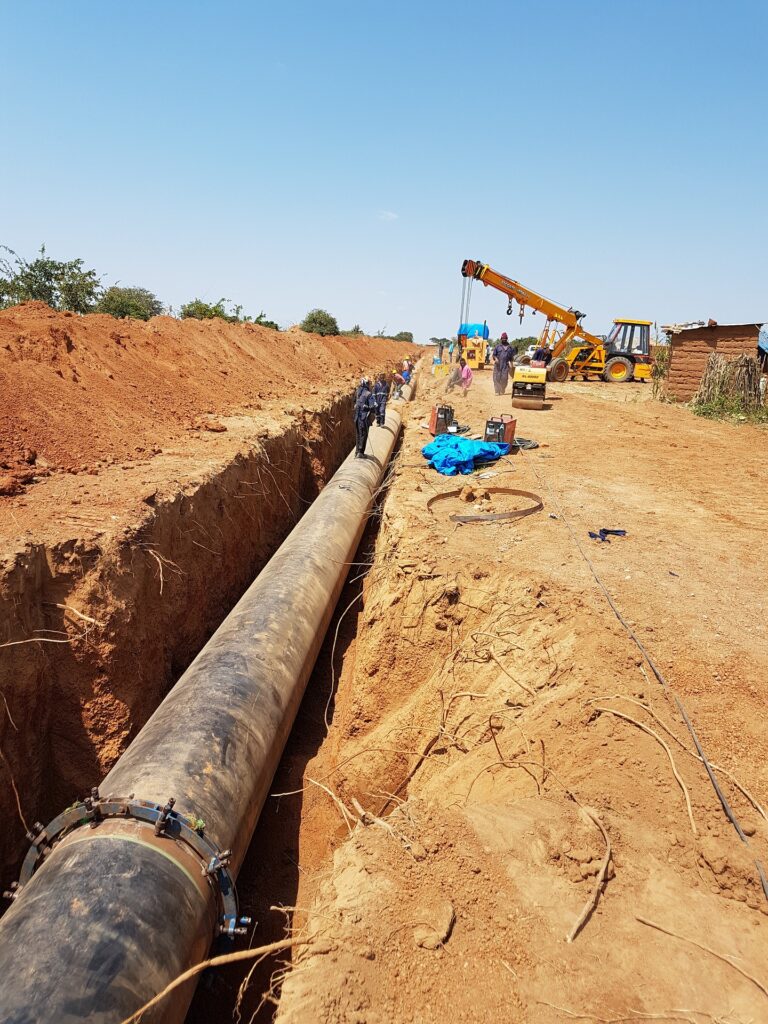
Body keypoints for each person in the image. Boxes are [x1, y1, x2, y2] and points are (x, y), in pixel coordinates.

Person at [353, 377, 376, 458]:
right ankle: (360, 452)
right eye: (369, 383)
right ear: (366, 384)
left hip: (356, 418)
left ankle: (356, 452)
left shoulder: (357, 392)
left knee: (358, 434)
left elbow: (354, 403)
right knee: (363, 435)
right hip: (364, 419)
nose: (370, 385)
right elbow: (372, 407)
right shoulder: (368, 394)